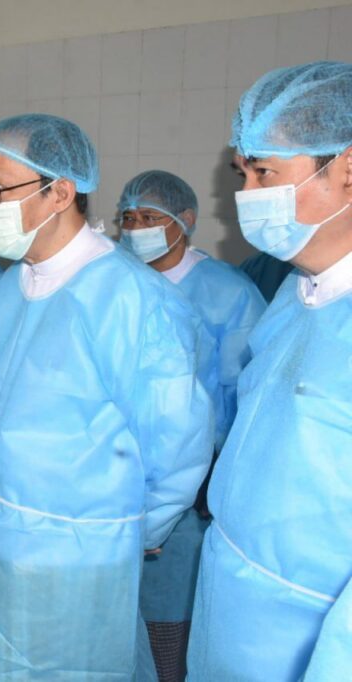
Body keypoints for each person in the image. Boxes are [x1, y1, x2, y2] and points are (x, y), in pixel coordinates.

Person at [0, 115, 214, 681]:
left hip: (80, 550)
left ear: (59, 192)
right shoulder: (9, 288)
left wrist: (134, 529)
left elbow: (177, 444)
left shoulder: (130, 298)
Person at [187, 61, 352, 681]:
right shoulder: (294, 293)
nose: (248, 195)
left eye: (266, 173)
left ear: (347, 168)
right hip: (231, 602)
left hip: (311, 630)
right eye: (243, 174)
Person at [116, 169, 266, 681]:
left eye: (149, 218)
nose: (136, 229)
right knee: (115, 612)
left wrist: (217, 465)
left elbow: (248, 391)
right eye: (128, 218)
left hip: (195, 478)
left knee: (171, 605)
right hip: (120, 468)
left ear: (185, 219)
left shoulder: (227, 292)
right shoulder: (116, 283)